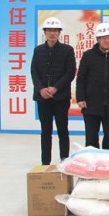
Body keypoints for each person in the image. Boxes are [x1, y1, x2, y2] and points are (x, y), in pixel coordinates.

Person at [30, 17, 76, 165]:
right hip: (43, 98)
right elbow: (34, 71)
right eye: (49, 30)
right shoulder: (38, 50)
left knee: (63, 130)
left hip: (61, 97)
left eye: (55, 30)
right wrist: (41, 89)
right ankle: (45, 163)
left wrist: (55, 88)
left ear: (59, 32)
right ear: (44, 32)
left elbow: (70, 72)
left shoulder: (67, 50)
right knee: (45, 132)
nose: (52, 33)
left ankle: (64, 161)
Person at [76, 22, 109, 150]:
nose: (106, 40)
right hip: (91, 104)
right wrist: (80, 98)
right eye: (103, 38)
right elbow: (81, 79)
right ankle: (92, 161)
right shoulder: (88, 56)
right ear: (98, 39)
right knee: (91, 138)